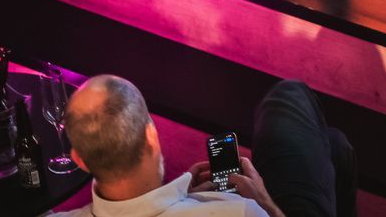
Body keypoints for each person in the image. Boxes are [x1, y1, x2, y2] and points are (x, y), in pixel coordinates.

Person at [65, 73, 353, 217]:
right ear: (151, 134)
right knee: (287, 98)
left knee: (334, 146)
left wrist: (179, 193)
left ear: (79, 159)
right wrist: (265, 202)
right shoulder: (237, 211)